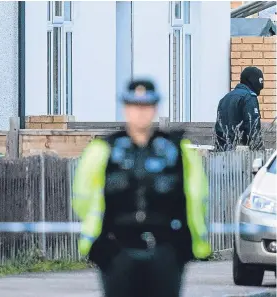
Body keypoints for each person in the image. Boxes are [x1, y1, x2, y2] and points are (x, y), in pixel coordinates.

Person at [72, 80, 211, 297]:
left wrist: (185, 245)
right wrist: (99, 245)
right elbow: (83, 198)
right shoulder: (104, 150)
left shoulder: (176, 150)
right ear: (125, 109)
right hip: (117, 248)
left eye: (146, 107)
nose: (140, 113)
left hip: (166, 248)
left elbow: (196, 196)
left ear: (155, 109)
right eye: (134, 106)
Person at [214, 66, 264, 151]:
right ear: (254, 81)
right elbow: (253, 128)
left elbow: (218, 128)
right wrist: (259, 152)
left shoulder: (225, 98)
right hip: (241, 154)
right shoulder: (249, 97)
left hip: (222, 153)